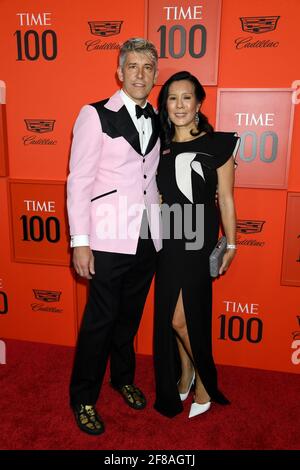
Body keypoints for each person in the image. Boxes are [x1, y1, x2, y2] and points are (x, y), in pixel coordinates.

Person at [67, 38, 161, 435]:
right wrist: (80, 240)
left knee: (129, 318)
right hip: (105, 237)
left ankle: (122, 377)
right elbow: (80, 180)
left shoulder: (158, 117)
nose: (140, 74)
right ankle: (83, 397)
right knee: (99, 321)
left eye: (147, 68)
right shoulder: (95, 115)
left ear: (155, 76)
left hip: (147, 236)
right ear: (119, 72)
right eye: (133, 66)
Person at [153, 71, 240, 418]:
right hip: (167, 239)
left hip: (197, 240)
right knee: (173, 319)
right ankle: (186, 374)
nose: (179, 105)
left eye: (186, 97)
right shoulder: (160, 145)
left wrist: (231, 244)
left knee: (182, 318)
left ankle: (204, 380)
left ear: (199, 102)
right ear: (166, 104)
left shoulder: (219, 144)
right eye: (172, 98)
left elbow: (228, 200)